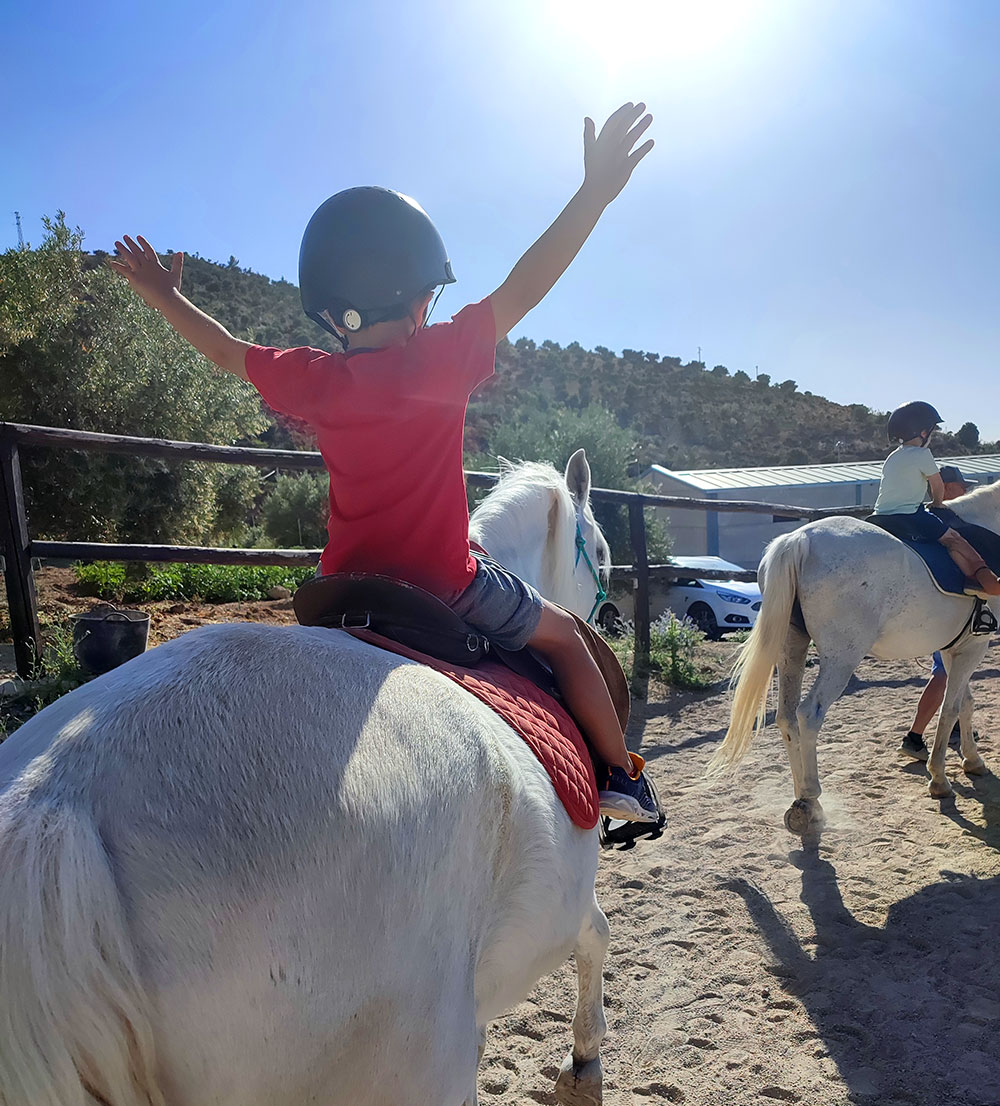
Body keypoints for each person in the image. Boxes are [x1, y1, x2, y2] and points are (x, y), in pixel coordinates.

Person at [109, 103, 661, 822]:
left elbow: (222, 349)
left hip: (338, 591)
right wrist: (593, 194)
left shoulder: (314, 376)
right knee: (565, 635)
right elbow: (529, 282)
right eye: (430, 297)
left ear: (334, 311)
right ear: (415, 300)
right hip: (445, 585)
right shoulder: (443, 357)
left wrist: (165, 295)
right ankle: (622, 775)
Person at [870, 402, 1000, 596]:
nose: (930, 437)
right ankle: (984, 578)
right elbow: (937, 484)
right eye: (930, 432)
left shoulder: (892, 457)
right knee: (954, 539)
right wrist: (937, 504)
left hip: (879, 515)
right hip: (909, 516)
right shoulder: (923, 454)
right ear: (923, 433)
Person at [899, 465, 979, 759]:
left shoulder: (941, 519)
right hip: (945, 614)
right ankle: (915, 735)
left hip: (948, 611)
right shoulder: (941, 523)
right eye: (961, 485)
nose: (966, 491)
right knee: (944, 674)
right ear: (945, 487)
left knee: (955, 674)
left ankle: (958, 727)